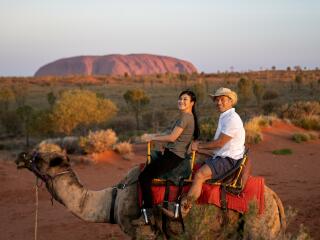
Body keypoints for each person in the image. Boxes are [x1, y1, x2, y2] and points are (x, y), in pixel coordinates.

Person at [133, 90, 200, 225]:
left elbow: (172, 137)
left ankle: (148, 214)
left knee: (143, 177)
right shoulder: (187, 117)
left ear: (192, 103)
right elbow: (172, 136)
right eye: (180, 98)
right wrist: (157, 137)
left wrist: (152, 138)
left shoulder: (185, 117)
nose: (181, 101)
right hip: (173, 154)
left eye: (185, 99)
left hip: (173, 157)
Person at [182, 87, 245, 215]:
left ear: (231, 101)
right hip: (223, 153)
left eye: (222, 99)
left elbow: (220, 143)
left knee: (199, 175)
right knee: (194, 155)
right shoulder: (225, 117)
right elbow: (218, 145)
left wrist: (199, 146)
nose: (219, 102)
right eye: (216, 100)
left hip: (229, 159)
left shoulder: (232, 119)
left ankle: (185, 208)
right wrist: (198, 146)